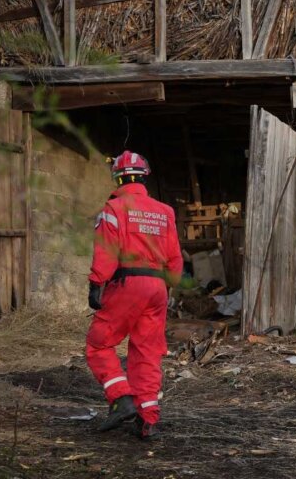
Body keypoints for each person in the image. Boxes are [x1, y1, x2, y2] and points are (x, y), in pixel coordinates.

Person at [86, 151, 182, 439]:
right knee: (147, 353)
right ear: (144, 177)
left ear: (117, 178)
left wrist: (96, 282)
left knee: (99, 345)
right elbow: (175, 258)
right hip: (157, 288)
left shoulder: (114, 208)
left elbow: (107, 250)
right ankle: (147, 419)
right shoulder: (165, 212)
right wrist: (168, 287)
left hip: (127, 284)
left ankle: (121, 398)